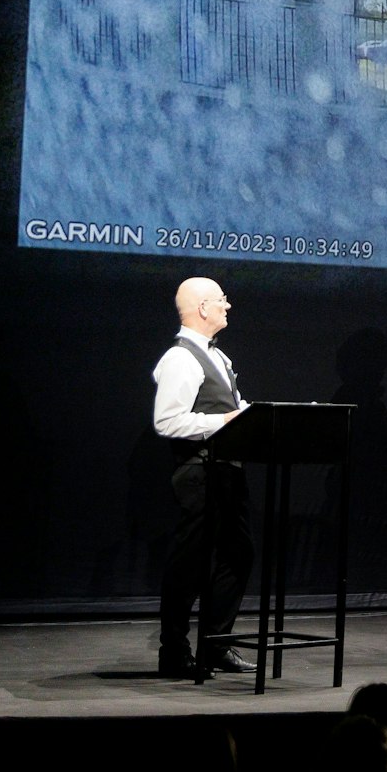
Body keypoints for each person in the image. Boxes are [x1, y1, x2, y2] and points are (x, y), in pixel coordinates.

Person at [152, 276, 257, 677]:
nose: (228, 306)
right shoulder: (180, 358)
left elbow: (233, 410)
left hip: (227, 473)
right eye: (222, 300)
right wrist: (227, 420)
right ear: (202, 308)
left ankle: (215, 644)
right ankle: (174, 651)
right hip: (199, 473)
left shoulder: (220, 357)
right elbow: (167, 421)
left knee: (238, 553)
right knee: (189, 565)